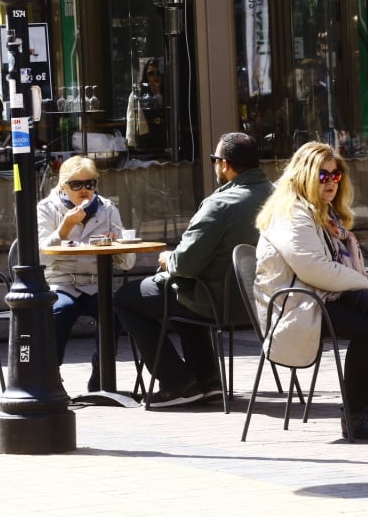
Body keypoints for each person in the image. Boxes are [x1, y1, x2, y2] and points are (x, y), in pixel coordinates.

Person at [254, 141, 368, 440]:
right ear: (303, 176)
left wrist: (362, 276)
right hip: (297, 305)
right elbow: (313, 268)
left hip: (322, 295)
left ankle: (367, 406)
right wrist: (364, 282)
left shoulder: (324, 214)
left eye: (335, 175)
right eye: (322, 176)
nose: (330, 182)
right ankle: (356, 414)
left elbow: (329, 267)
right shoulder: (292, 214)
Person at [114, 132, 273, 407]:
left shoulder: (221, 204)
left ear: (223, 164)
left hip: (215, 301)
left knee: (126, 298)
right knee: (178, 292)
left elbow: (185, 264)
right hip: (259, 302)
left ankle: (177, 382)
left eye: (214, 159)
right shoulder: (275, 195)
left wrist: (167, 258)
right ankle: (208, 380)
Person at [37, 155, 135, 391]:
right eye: (76, 185)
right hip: (61, 283)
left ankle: (102, 376)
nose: (84, 190)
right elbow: (39, 257)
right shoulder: (47, 208)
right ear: (63, 186)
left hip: (96, 282)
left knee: (114, 311)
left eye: (89, 184)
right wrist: (64, 228)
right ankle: (51, 377)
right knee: (60, 310)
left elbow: (128, 264)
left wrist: (116, 245)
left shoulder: (107, 209)